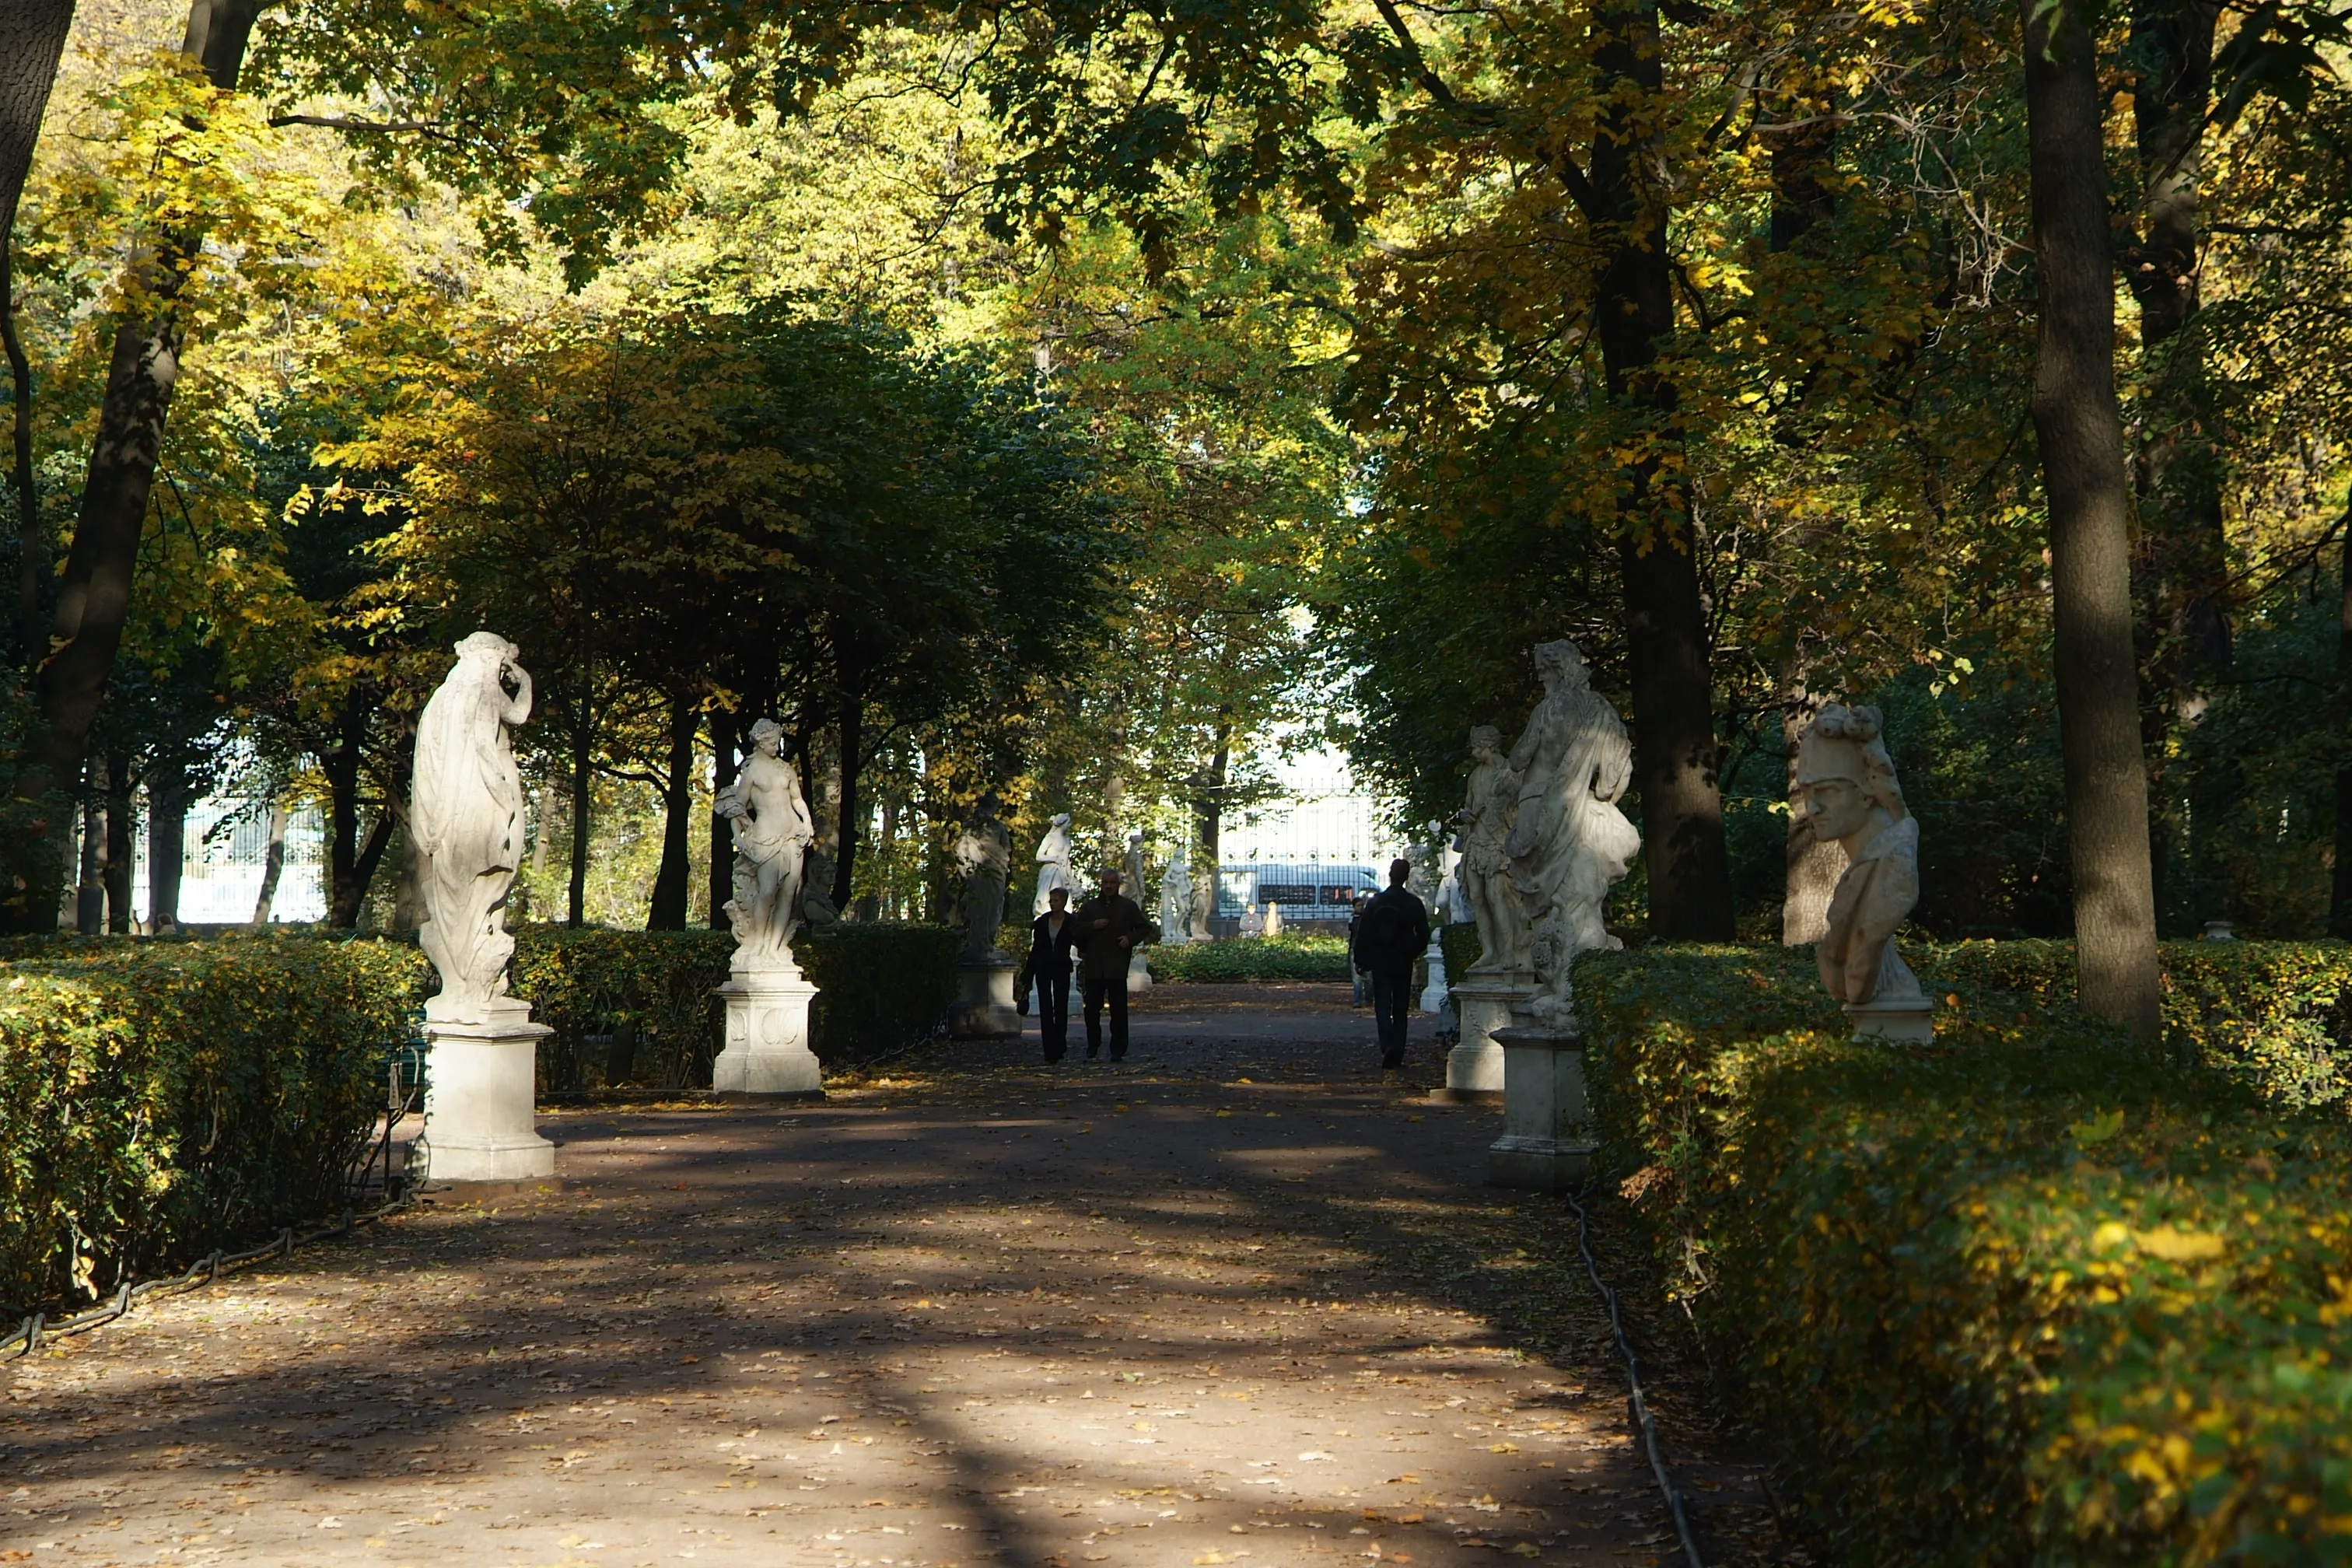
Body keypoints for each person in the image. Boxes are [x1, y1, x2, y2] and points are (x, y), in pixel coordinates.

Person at [1353, 857, 1430, 1070]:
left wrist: (1361, 959)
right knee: (1400, 1008)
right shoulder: (1413, 903)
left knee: (1383, 1005)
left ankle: (1387, 1045)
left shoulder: (1377, 902)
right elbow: (1424, 934)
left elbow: (1364, 933)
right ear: (1406, 877)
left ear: (1390, 874)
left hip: (1381, 960)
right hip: (1402, 960)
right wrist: (1412, 951)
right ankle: (1398, 1049)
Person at [1070, 868, 1154, 1061]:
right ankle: (1093, 1044)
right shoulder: (1090, 907)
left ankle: (1118, 1049)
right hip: (1094, 966)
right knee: (1091, 1008)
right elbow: (1074, 930)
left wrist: (1129, 939)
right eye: (1105, 882)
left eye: (1112, 883)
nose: (1108, 886)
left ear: (1117, 884)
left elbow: (1144, 927)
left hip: (1116, 966)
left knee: (1118, 1010)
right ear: (1101, 884)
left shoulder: (1128, 907)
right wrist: (1092, 926)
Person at [1018, 885, 1081, 1062]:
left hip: (1061, 967)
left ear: (1064, 901)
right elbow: (1036, 949)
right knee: (1046, 1008)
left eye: (1056, 900)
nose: (1053, 904)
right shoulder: (1042, 922)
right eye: (1051, 901)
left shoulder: (1071, 922)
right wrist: (1028, 973)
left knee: (1061, 1007)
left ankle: (1059, 1043)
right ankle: (1049, 1049)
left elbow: (1080, 940)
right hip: (1043, 967)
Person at [1346, 893, 1372, 1006]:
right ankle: (1358, 1000)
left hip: (1367, 949)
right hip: (1355, 948)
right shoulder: (1352, 919)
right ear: (1354, 907)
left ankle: (1369, 999)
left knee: (1369, 978)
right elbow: (1352, 933)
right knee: (1357, 978)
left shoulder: (1368, 918)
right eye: (1358, 906)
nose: (1361, 907)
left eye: (1362, 905)